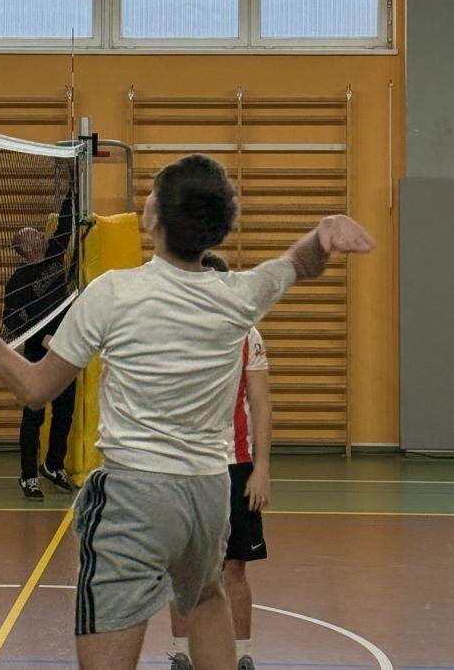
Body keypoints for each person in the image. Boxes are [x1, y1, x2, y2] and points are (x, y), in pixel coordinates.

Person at [0, 153, 374, 670]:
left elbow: (35, 390)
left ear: (154, 217)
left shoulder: (113, 293)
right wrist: (325, 231)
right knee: (207, 594)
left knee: (113, 617)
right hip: (208, 492)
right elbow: (299, 263)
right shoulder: (239, 297)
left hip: (136, 494)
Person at [169, 251, 270, 670]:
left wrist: (261, 469)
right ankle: (182, 654)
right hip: (185, 467)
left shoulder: (247, 335)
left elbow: (260, 403)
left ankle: (241, 657)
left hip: (234, 465)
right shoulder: (175, 334)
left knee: (235, 567)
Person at [4, 182, 79, 500]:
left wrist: (74, 186)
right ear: (25, 247)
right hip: (37, 354)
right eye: (33, 234)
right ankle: (28, 476)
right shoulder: (18, 280)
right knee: (34, 415)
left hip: (65, 352)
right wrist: (41, 336)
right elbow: (10, 320)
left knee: (65, 411)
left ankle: (53, 465)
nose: (40, 234)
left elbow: (65, 221)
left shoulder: (55, 254)